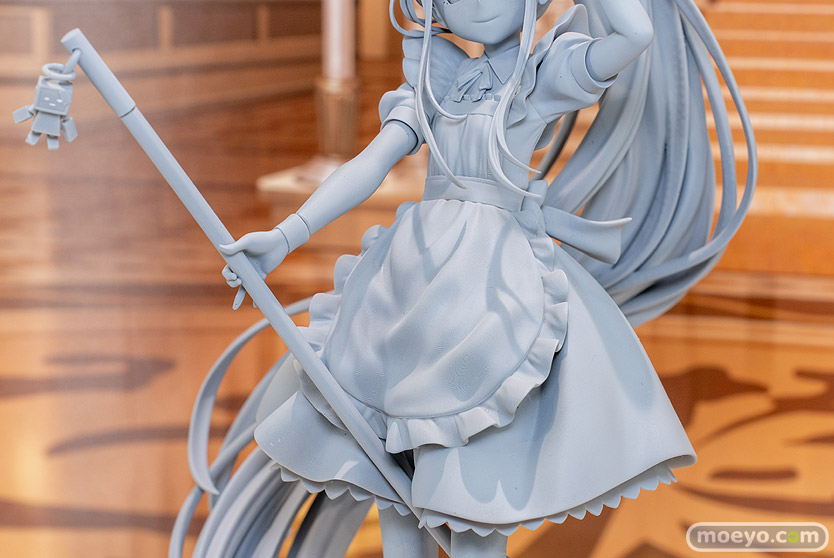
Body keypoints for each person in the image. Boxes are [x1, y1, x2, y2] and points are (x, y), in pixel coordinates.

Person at [186, 0, 756, 556]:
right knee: (394, 483)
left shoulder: (541, 74)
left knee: (474, 492)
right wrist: (285, 235)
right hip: (405, 286)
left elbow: (635, 35)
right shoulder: (434, 80)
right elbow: (369, 164)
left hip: (490, 290)